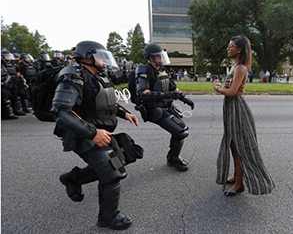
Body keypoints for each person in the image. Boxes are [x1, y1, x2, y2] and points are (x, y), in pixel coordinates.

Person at [53, 41, 139, 230]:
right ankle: (108, 218)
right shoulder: (73, 76)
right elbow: (62, 111)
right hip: (81, 134)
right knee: (113, 173)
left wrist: (125, 113)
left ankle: (73, 179)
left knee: (120, 160)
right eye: (100, 56)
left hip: (100, 132)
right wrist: (92, 134)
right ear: (86, 58)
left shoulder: (100, 76)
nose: (105, 61)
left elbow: (107, 101)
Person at [213, 36, 275, 196]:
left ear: (239, 49)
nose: (228, 48)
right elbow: (231, 87)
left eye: (231, 46)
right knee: (233, 146)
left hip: (237, 109)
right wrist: (224, 86)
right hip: (231, 108)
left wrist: (217, 88)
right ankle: (236, 176)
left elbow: (232, 92)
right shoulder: (234, 67)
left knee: (240, 147)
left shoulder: (240, 68)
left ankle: (239, 184)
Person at [134, 43, 195, 172]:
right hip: (154, 109)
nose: (161, 59)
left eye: (161, 57)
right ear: (149, 58)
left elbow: (173, 87)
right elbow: (143, 93)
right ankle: (174, 159)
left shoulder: (162, 71)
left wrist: (184, 98)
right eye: (157, 57)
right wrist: (168, 95)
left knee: (181, 132)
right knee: (180, 131)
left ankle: (173, 158)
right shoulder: (144, 70)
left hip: (167, 107)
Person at [1, 49, 18, 120]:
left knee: (12, 97)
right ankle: (7, 114)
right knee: (5, 99)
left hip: (7, 83)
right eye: (6, 56)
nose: (8, 58)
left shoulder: (8, 65)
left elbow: (6, 74)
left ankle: (11, 112)